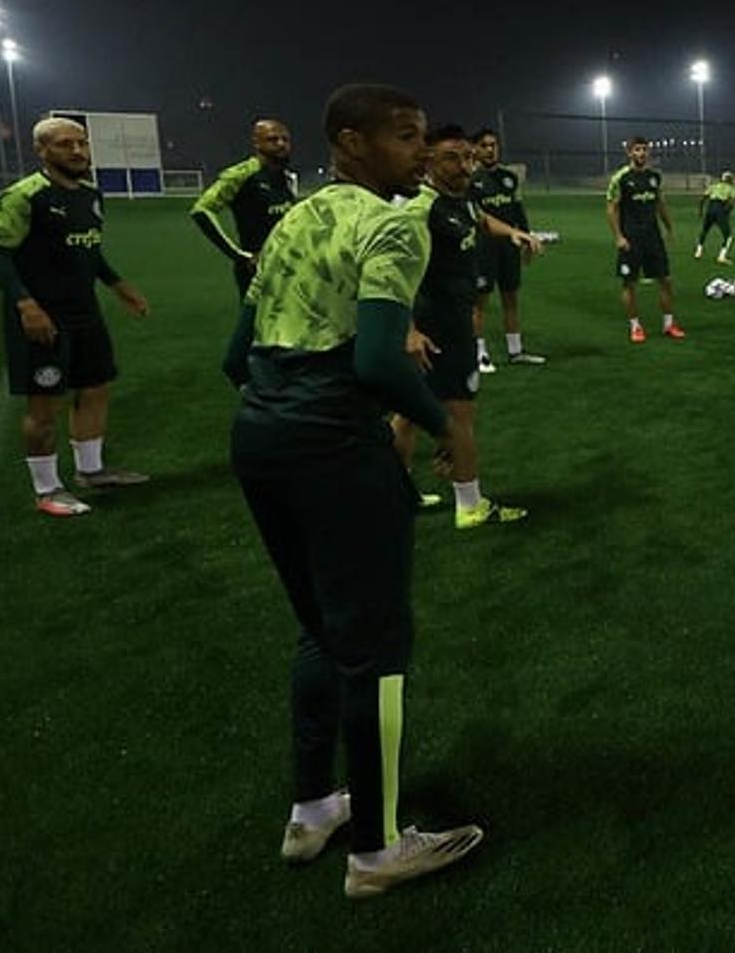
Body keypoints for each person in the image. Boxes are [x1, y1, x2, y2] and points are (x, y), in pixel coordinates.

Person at [223, 83, 484, 898]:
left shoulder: (295, 217)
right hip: (333, 444)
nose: (422, 152)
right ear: (351, 143)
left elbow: (238, 354)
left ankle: (313, 809)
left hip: (259, 434)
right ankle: (376, 849)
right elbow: (376, 361)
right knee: (376, 649)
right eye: (405, 137)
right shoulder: (395, 223)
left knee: (319, 632)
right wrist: (442, 424)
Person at [0, 118, 152, 516]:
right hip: (42, 316)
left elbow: (87, 251)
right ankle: (47, 490)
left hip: (84, 312)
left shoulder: (91, 195)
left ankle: (92, 471)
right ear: (41, 150)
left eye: (81, 144)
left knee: (95, 387)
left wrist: (116, 284)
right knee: (45, 404)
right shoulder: (27, 195)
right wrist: (25, 304)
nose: (77, 151)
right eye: (64, 145)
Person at [393, 124, 539, 529]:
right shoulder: (421, 209)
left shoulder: (460, 201)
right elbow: (390, 274)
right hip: (436, 328)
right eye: (451, 158)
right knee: (460, 415)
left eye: (466, 157)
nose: (464, 166)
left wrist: (515, 233)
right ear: (428, 161)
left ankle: (397, 494)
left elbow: (482, 220)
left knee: (406, 414)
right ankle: (470, 505)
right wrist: (407, 329)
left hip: (447, 323)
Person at [191, 119, 297, 296]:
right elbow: (201, 210)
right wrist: (239, 256)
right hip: (256, 270)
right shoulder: (242, 174)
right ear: (256, 143)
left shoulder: (286, 178)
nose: (281, 144)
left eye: (285, 139)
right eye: (273, 139)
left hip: (289, 267)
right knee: (255, 322)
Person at [468, 129, 546, 370]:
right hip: (482, 247)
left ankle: (516, 351)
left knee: (510, 298)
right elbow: (475, 217)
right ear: (476, 149)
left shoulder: (509, 178)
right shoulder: (471, 180)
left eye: (493, 145)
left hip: (509, 247)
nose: (490, 149)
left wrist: (526, 238)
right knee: (479, 302)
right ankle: (479, 354)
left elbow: (518, 211)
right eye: (484, 145)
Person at [606, 137, 684, 343]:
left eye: (644, 150)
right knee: (629, 284)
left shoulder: (654, 177)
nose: (642, 153)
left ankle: (669, 324)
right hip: (631, 239)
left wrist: (669, 228)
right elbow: (611, 209)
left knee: (665, 281)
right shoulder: (620, 178)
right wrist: (619, 237)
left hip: (653, 237)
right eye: (637, 150)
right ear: (629, 153)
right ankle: (635, 326)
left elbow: (660, 203)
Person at [698, 171, 735, 265]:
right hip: (720, 208)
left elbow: (702, 199)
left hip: (710, 208)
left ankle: (698, 252)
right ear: (729, 179)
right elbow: (731, 203)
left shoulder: (713, 186)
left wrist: (700, 211)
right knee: (728, 235)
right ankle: (722, 257)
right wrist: (726, 212)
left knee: (705, 230)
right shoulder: (732, 189)